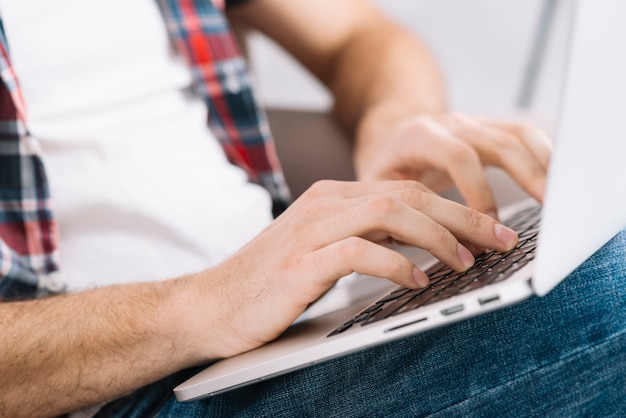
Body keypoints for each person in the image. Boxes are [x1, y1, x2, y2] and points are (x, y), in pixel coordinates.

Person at [0, 0, 623, 416]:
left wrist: (395, 123)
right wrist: (209, 303)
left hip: (308, 320)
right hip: (135, 389)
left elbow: (361, 35)